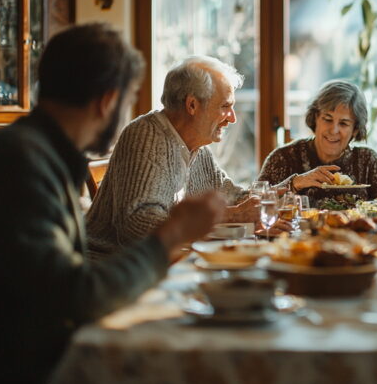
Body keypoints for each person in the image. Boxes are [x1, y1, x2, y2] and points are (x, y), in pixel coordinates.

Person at [0, 23, 223, 384]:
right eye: (127, 102)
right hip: (23, 377)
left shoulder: (39, 152)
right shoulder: (21, 162)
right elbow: (75, 296)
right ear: (108, 100)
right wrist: (173, 233)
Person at [86, 56, 265, 259]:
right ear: (192, 105)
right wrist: (232, 215)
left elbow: (231, 195)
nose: (232, 117)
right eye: (225, 106)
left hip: (165, 261)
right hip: (115, 265)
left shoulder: (197, 147)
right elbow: (136, 224)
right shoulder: (146, 137)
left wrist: (286, 191)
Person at [258, 80, 377, 203]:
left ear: (355, 130)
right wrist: (295, 183)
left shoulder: (367, 160)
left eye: (344, 123)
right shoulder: (283, 157)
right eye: (327, 119)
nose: (334, 130)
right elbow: (253, 202)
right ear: (315, 118)